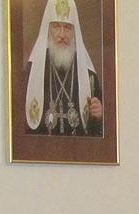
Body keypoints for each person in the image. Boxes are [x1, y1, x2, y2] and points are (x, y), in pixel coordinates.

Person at [25, 0, 103, 136]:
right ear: (48, 30)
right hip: (41, 147)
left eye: (67, 28)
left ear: (74, 32)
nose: (62, 35)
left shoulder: (88, 74)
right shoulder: (33, 70)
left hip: (78, 148)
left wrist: (99, 116)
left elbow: (97, 132)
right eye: (56, 27)